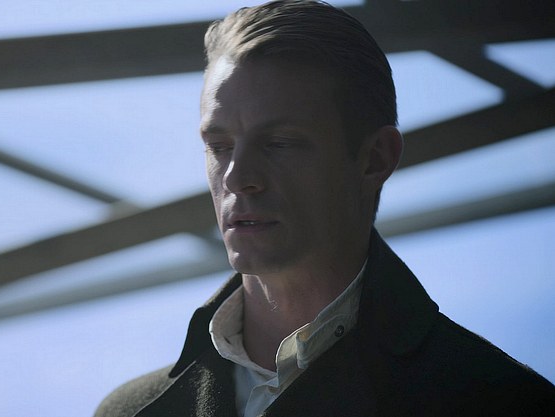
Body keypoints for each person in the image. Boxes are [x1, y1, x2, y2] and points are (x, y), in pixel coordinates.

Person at [95, 1, 555, 416]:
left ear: (375, 159)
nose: (237, 177)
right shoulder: (126, 411)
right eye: (219, 146)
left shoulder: (503, 402)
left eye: (279, 143)